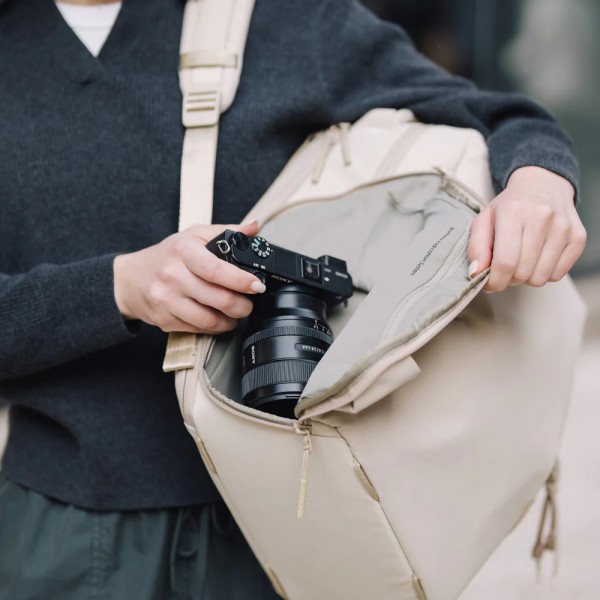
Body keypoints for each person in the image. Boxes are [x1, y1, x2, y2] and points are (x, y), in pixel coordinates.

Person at [0, 0, 587, 598]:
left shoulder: (282, 19)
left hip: (294, 510)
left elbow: (503, 118)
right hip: (63, 533)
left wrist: (539, 183)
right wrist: (118, 287)